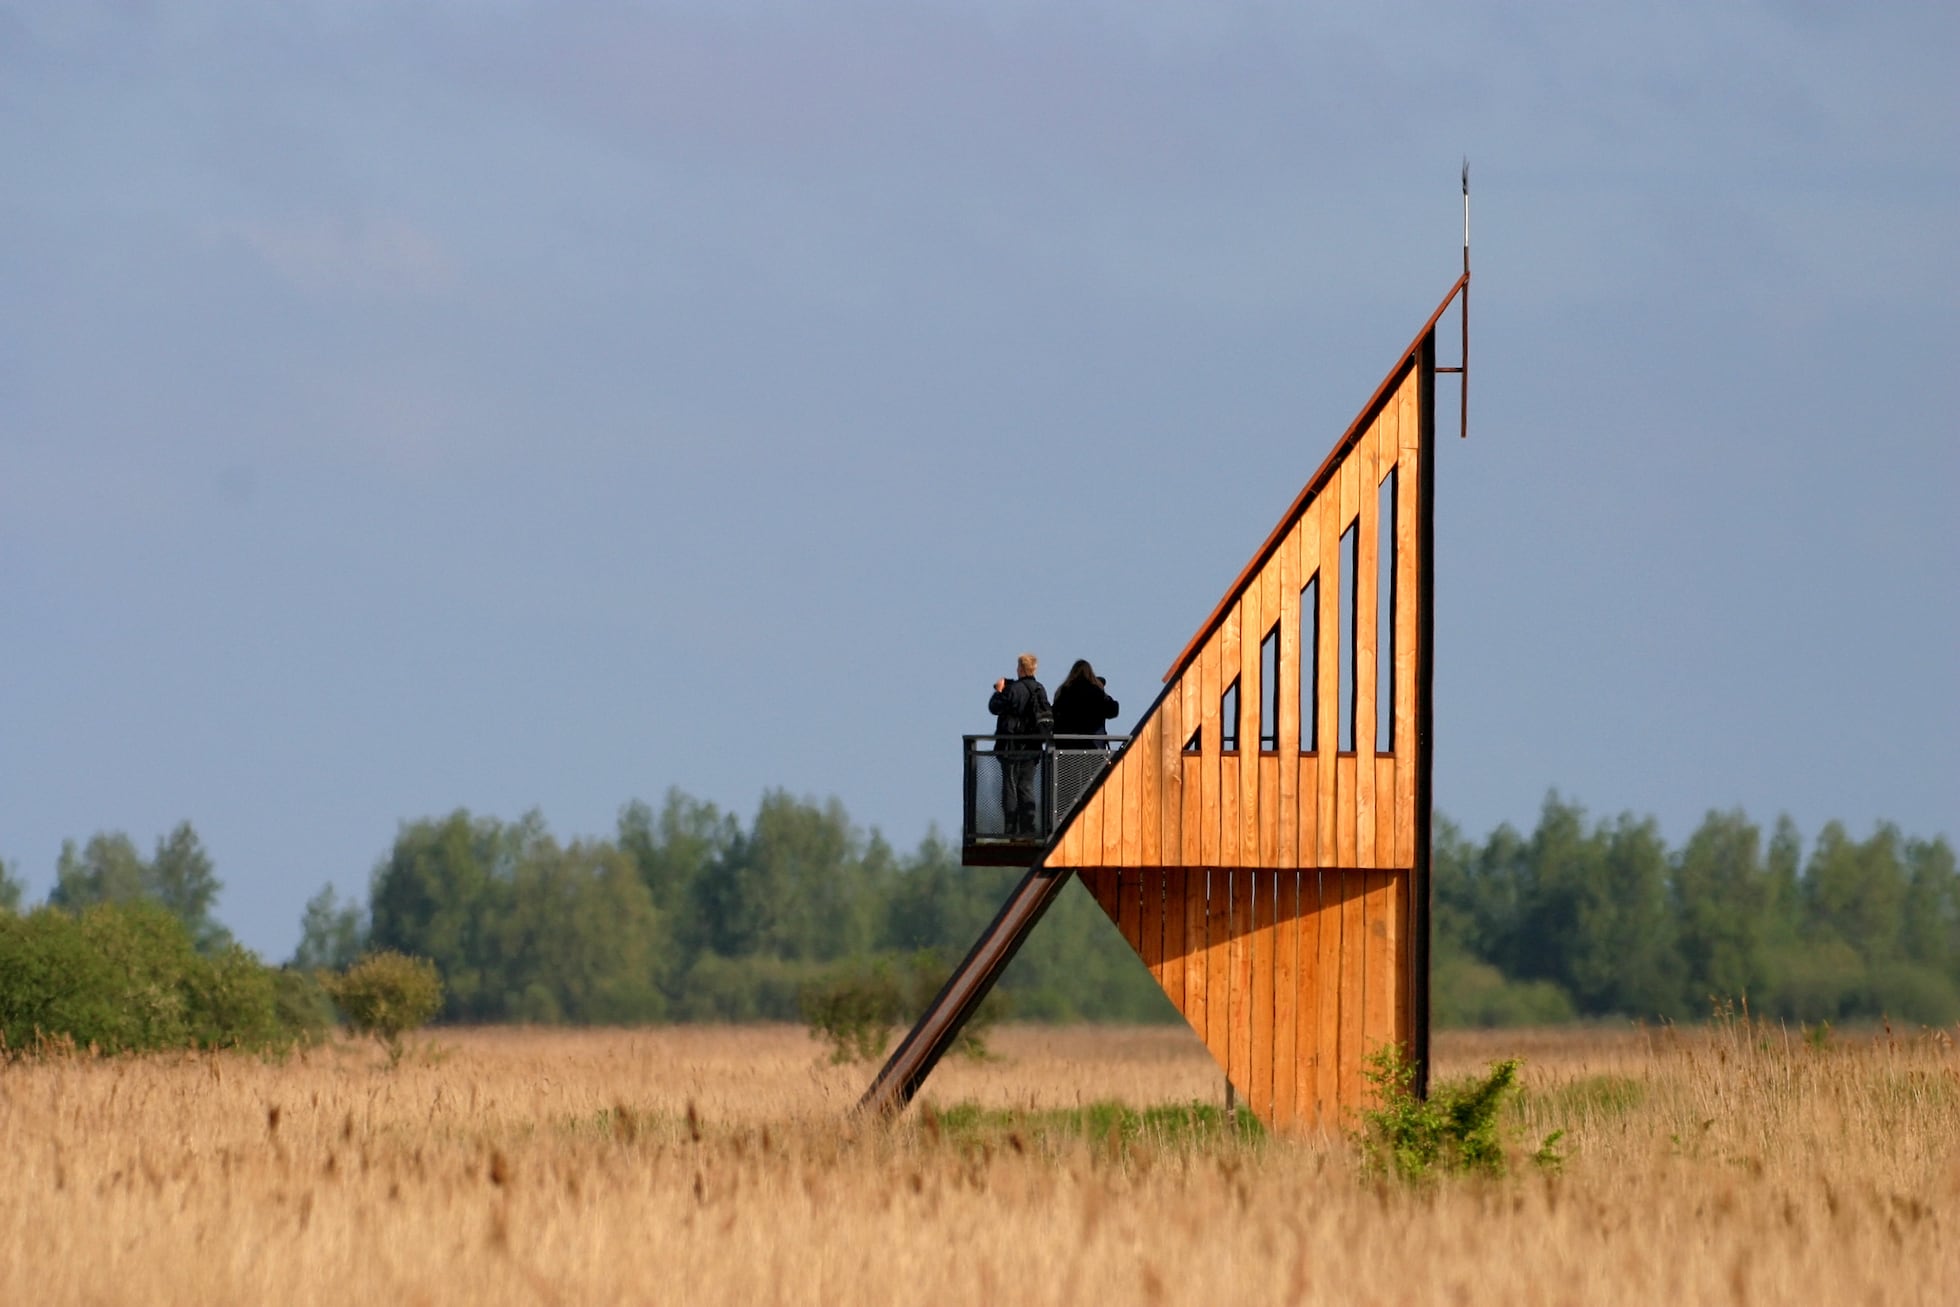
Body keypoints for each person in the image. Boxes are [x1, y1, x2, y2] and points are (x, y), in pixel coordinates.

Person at [987, 652, 1051, 836]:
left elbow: (995, 708)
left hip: (1011, 747)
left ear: (1021, 669)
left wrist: (999, 691)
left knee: (1010, 786)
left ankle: (1011, 828)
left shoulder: (1014, 690)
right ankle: (1028, 827)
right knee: (1027, 786)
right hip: (1032, 747)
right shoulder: (1040, 689)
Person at [1051, 659, 1120, 748]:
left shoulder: (1063, 692)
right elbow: (1112, 711)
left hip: (1065, 745)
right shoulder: (1095, 692)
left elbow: (1054, 714)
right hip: (1090, 744)